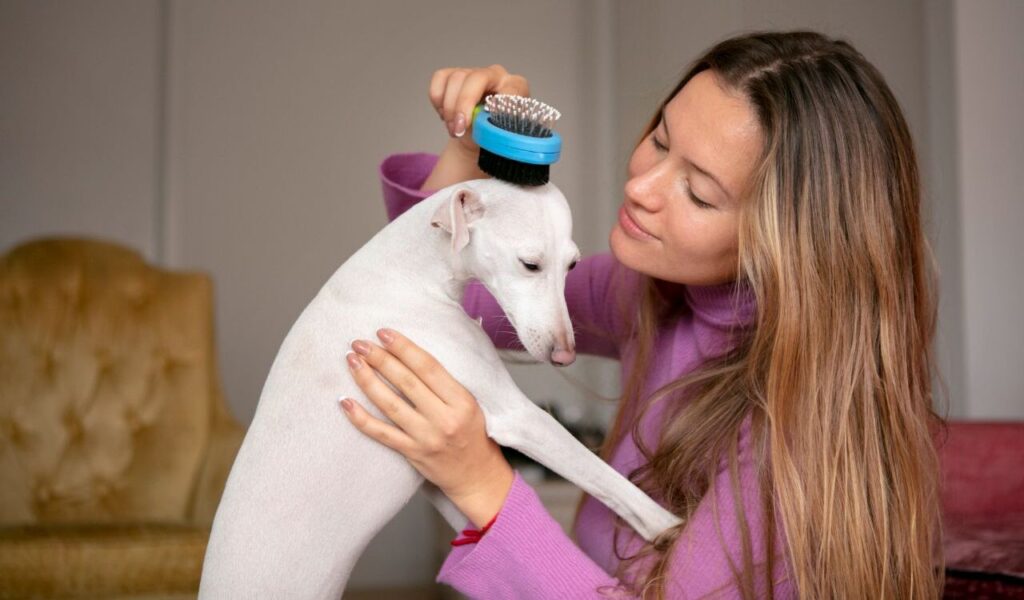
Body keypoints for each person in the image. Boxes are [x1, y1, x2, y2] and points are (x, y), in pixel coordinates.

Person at [338, 30, 947, 599]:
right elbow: (457, 295)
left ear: (789, 245)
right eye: (660, 138)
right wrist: (470, 150)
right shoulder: (651, 295)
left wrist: (481, 485)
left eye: (700, 192)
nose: (643, 187)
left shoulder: (795, 435)